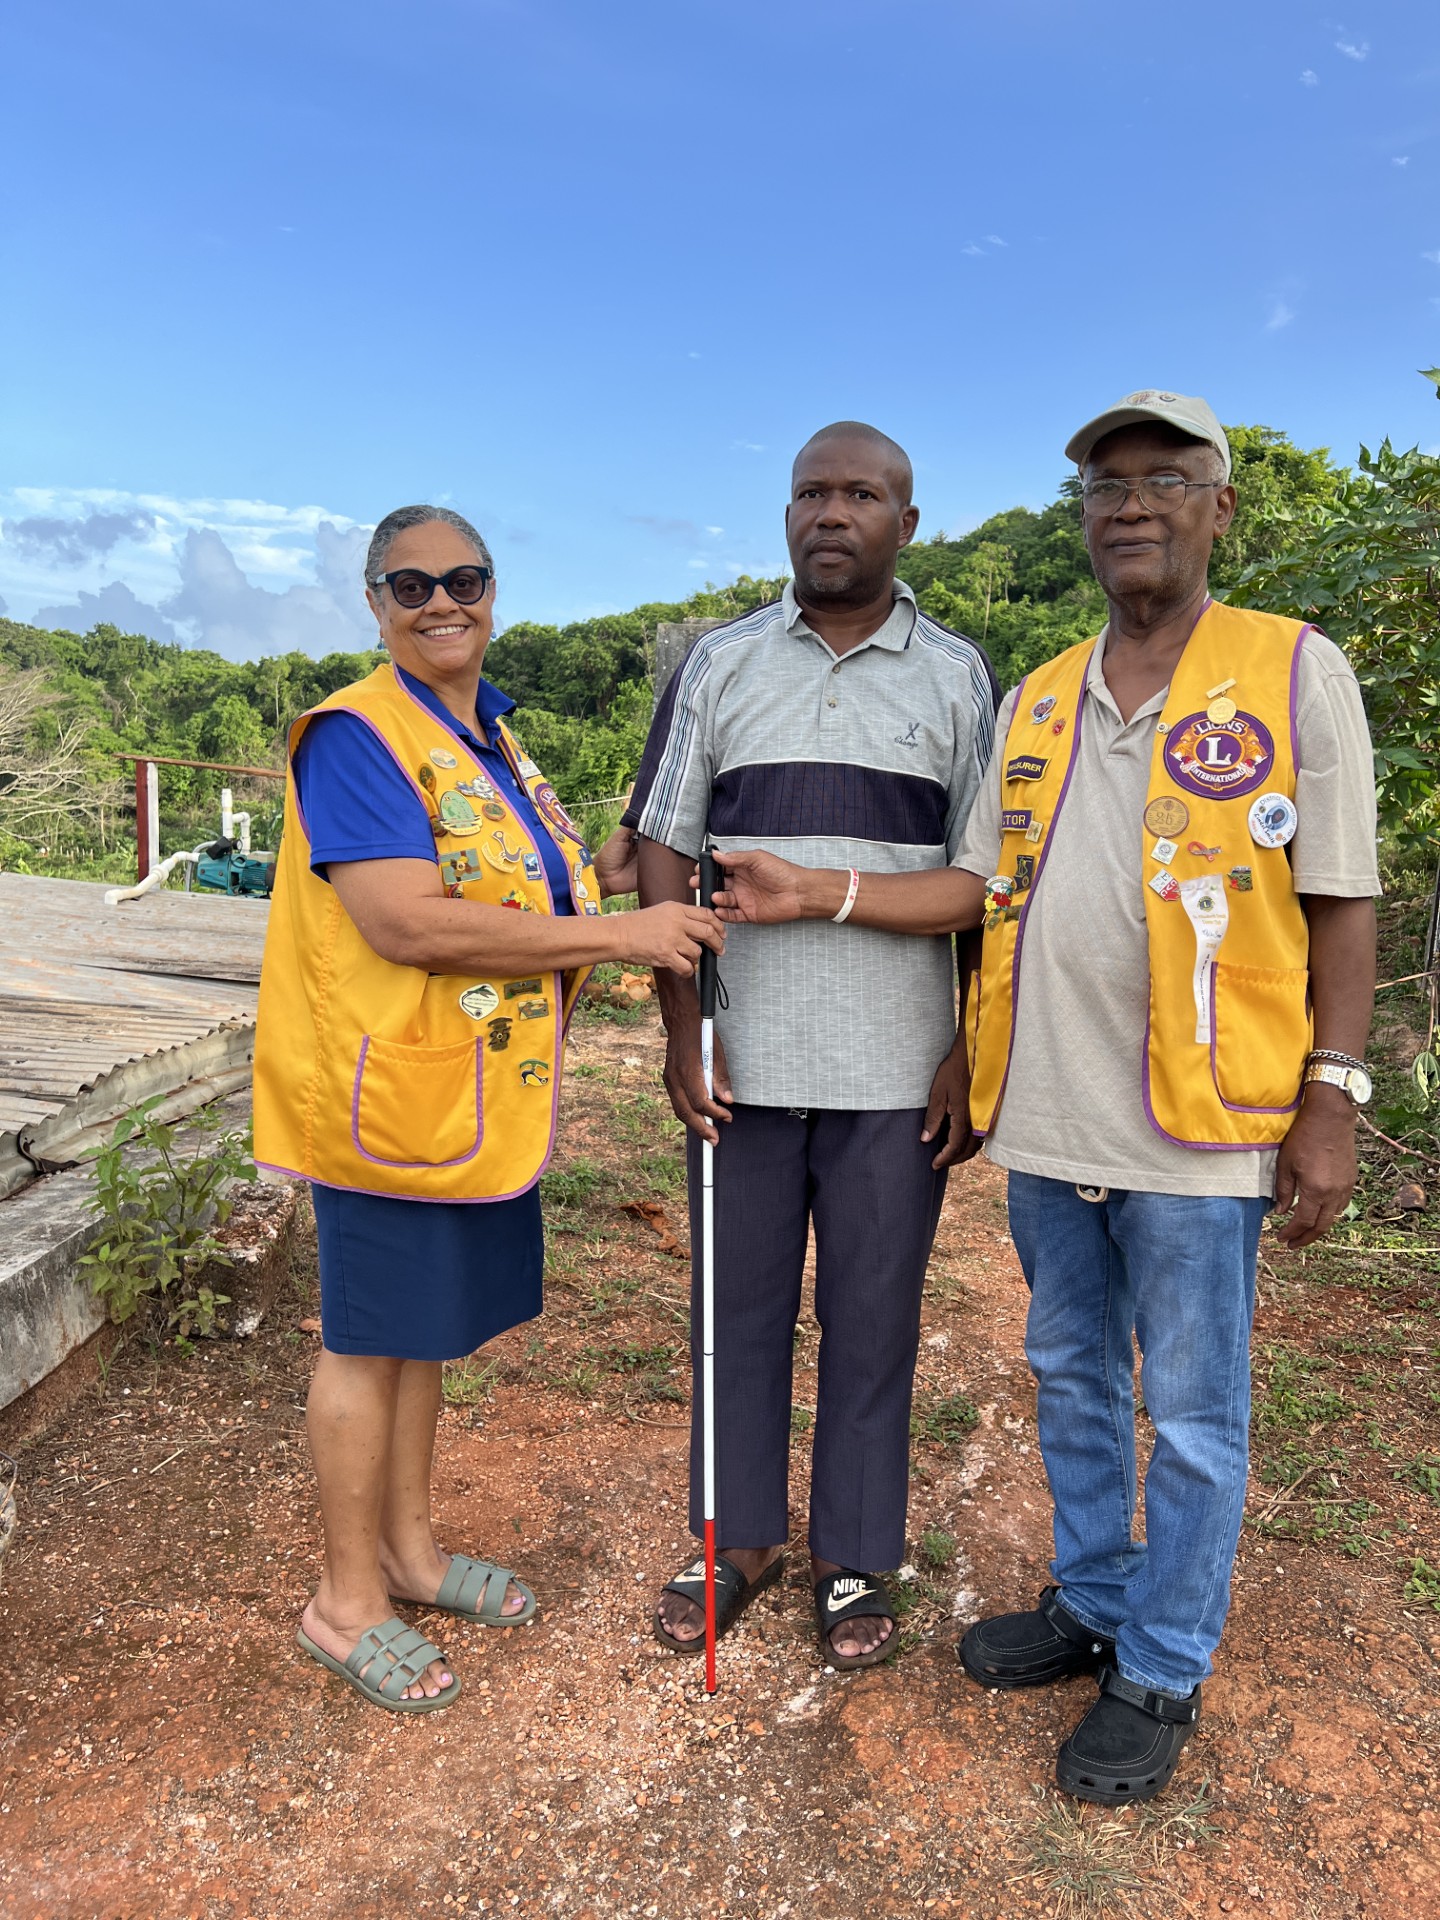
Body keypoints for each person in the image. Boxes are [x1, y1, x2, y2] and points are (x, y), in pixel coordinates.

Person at [947, 392, 1380, 1802]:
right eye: (1105, 486)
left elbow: (1342, 898)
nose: (1129, 505)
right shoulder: (1042, 692)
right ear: (1082, 517)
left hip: (1206, 1128)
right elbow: (991, 894)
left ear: (1218, 506)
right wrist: (965, 1051)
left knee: (1193, 1411)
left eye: (1163, 480)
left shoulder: (1294, 669)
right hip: (1050, 1113)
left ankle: (1164, 1663)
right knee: (1070, 1369)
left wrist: (1333, 1091)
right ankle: (1093, 1598)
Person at [253, 505, 723, 1713]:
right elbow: (403, 919)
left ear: (494, 587)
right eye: (409, 587)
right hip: (383, 1102)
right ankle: (345, 1601)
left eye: (461, 578)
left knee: (419, 1337)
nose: (439, 602)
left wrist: (647, 848)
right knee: (366, 1341)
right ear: (375, 604)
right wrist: (621, 935)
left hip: (459, 1105)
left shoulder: (491, 738)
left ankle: (408, 1551)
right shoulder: (359, 735)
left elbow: (552, 876)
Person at [634, 422, 998, 1670]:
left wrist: (964, 1050)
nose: (830, 513)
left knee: (873, 1315)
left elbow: (980, 887)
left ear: (908, 522)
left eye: (860, 494)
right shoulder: (720, 664)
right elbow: (661, 857)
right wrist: (686, 1035)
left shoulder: (958, 677)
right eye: (809, 493)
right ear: (785, 515)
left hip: (900, 1070)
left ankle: (853, 1554)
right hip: (743, 1066)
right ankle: (738, 1539)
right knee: (735, 1312)